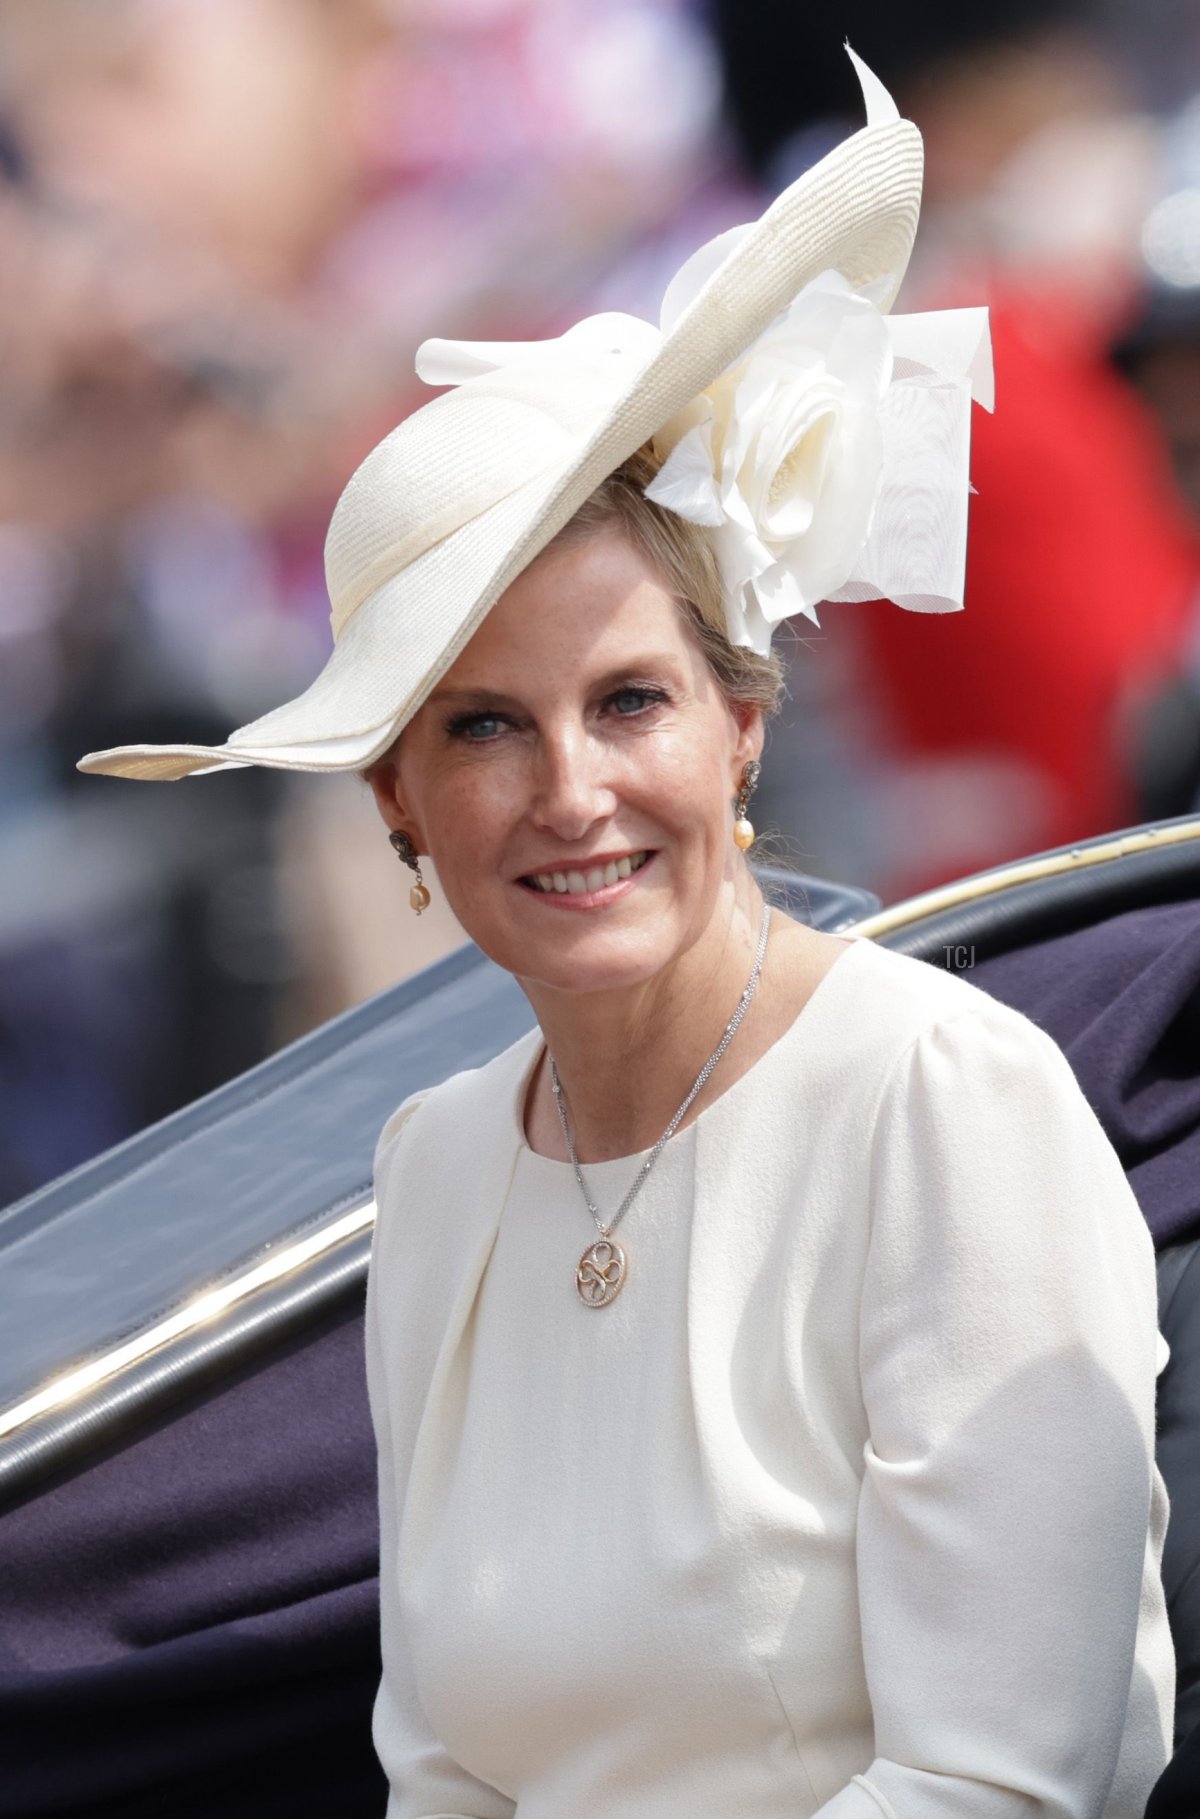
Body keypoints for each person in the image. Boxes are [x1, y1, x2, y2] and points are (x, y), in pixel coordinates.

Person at [78, 50, 1173, 1819]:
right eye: (484, 728)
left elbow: (1002, 1781)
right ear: (398, 808)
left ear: (742, 727)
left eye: (631, 703)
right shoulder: (435, 1167)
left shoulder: (947, 1098)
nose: (571, 791)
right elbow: (440, 1771)